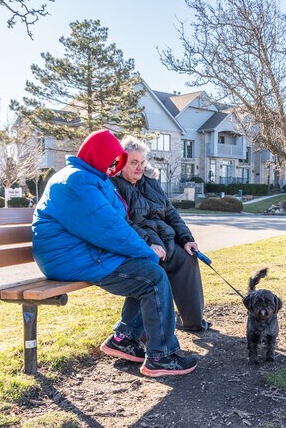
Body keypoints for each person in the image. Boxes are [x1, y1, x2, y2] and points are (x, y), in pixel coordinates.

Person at [32, 129, 197, 377]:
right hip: (68, 258)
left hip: (81, 252)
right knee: (151, 278)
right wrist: (147, 251)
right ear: (96, 155)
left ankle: (123, 339)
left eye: (116, 162)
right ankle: (161, 356)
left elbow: (116, 222)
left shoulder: (90, 177)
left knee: (147, 274)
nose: (113, 167)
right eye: (112, 161)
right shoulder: (77, 182)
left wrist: (145, 252)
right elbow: (111, 229)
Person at [111, 138, 211, 332]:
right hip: (141, 243)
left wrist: (186, 239)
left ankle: (193, 321)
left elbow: (170, 212)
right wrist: (148, 243)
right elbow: (123, 223)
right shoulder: (114, 185)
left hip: (165, 240)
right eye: (134, 162)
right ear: (121, 162)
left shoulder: (150, 182)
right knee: (153, 269)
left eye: (142, 163)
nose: (139, 168)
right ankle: (141, 333)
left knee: (188, 259)